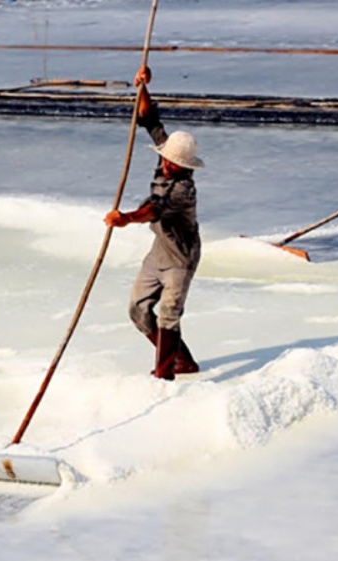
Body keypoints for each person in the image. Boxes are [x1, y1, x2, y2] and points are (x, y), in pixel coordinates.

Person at [104, 65, 203, 381]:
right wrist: (143, 87)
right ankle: (182, 360)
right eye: (165, 158)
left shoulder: (184, 190)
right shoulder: (165, 161)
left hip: (180, 259)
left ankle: (164, 374)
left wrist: (126, 219)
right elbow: (149, 119)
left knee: (168, 316)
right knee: (137, 310)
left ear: (183, 165)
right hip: (159, 251)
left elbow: (153, 210)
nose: (164, 163)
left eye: (171, 162)